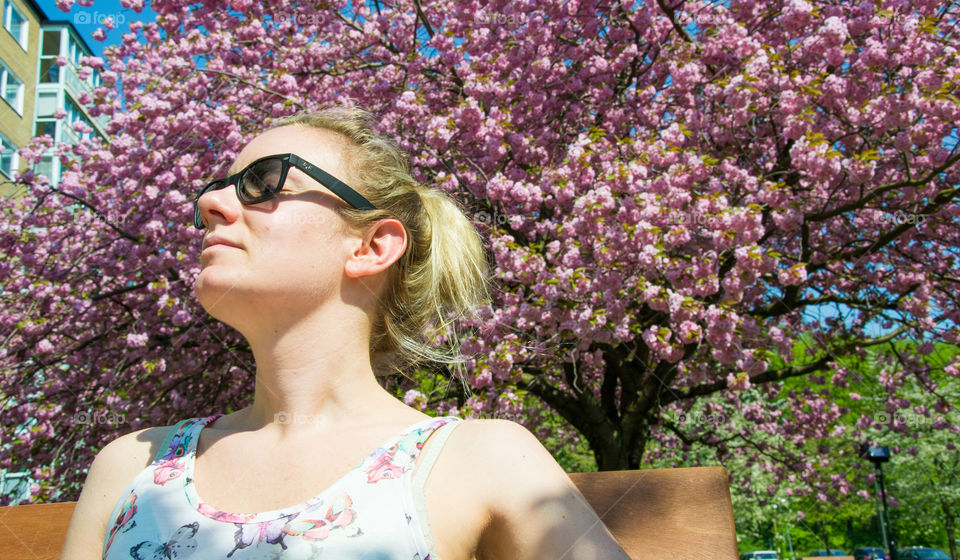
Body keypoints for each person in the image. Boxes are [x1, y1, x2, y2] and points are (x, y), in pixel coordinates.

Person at [59, 107, 631, 559]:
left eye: (264, 181)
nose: (210, 203)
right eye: (216, 187)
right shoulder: (132, 465)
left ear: (371, 246)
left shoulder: (479, 460)